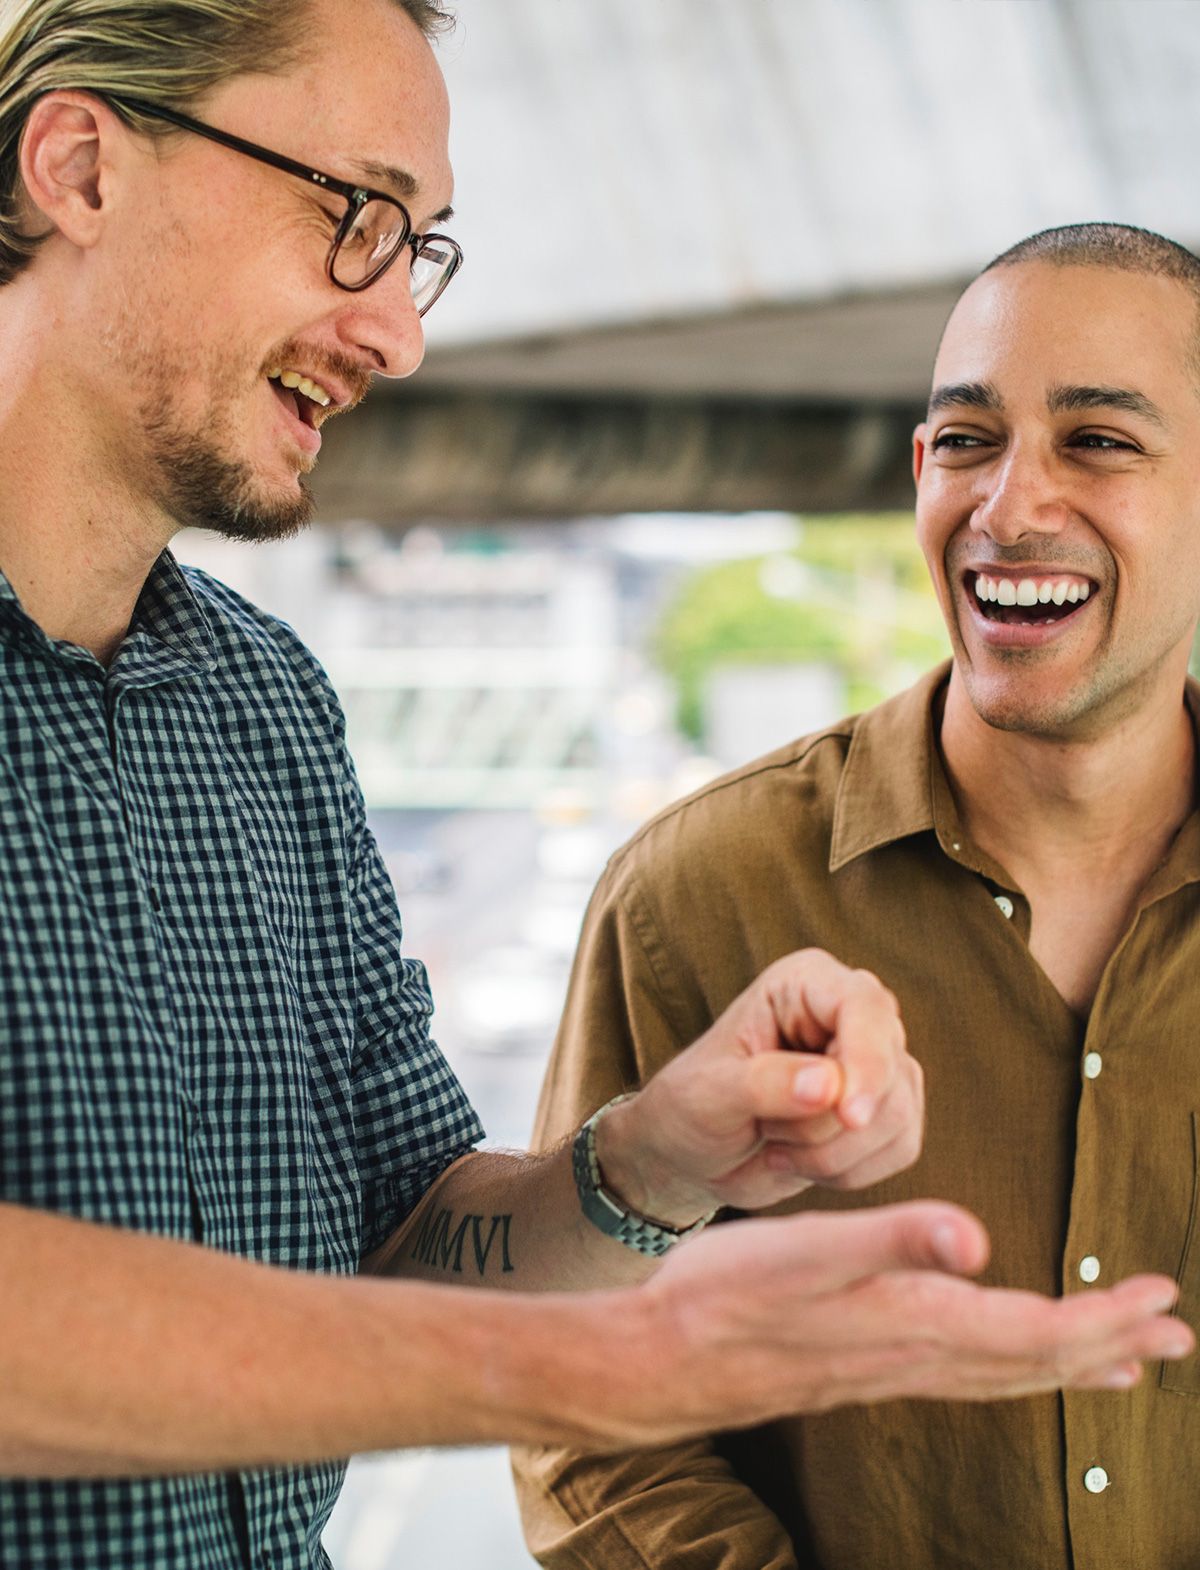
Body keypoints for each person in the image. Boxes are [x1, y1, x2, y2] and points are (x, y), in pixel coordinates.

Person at [0, 0, 1187, 1559]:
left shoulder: (263, 712)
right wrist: (609, 1363)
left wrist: (649, 1162)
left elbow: (407, 1244)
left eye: (419, 251)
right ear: (83, 166)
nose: (398, 334)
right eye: (355, 216)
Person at [513, 221, 1200, 1570]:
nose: (1010, 505)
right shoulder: (692, 895)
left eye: (1099, 442)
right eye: (965, 440)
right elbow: (575, 1401)